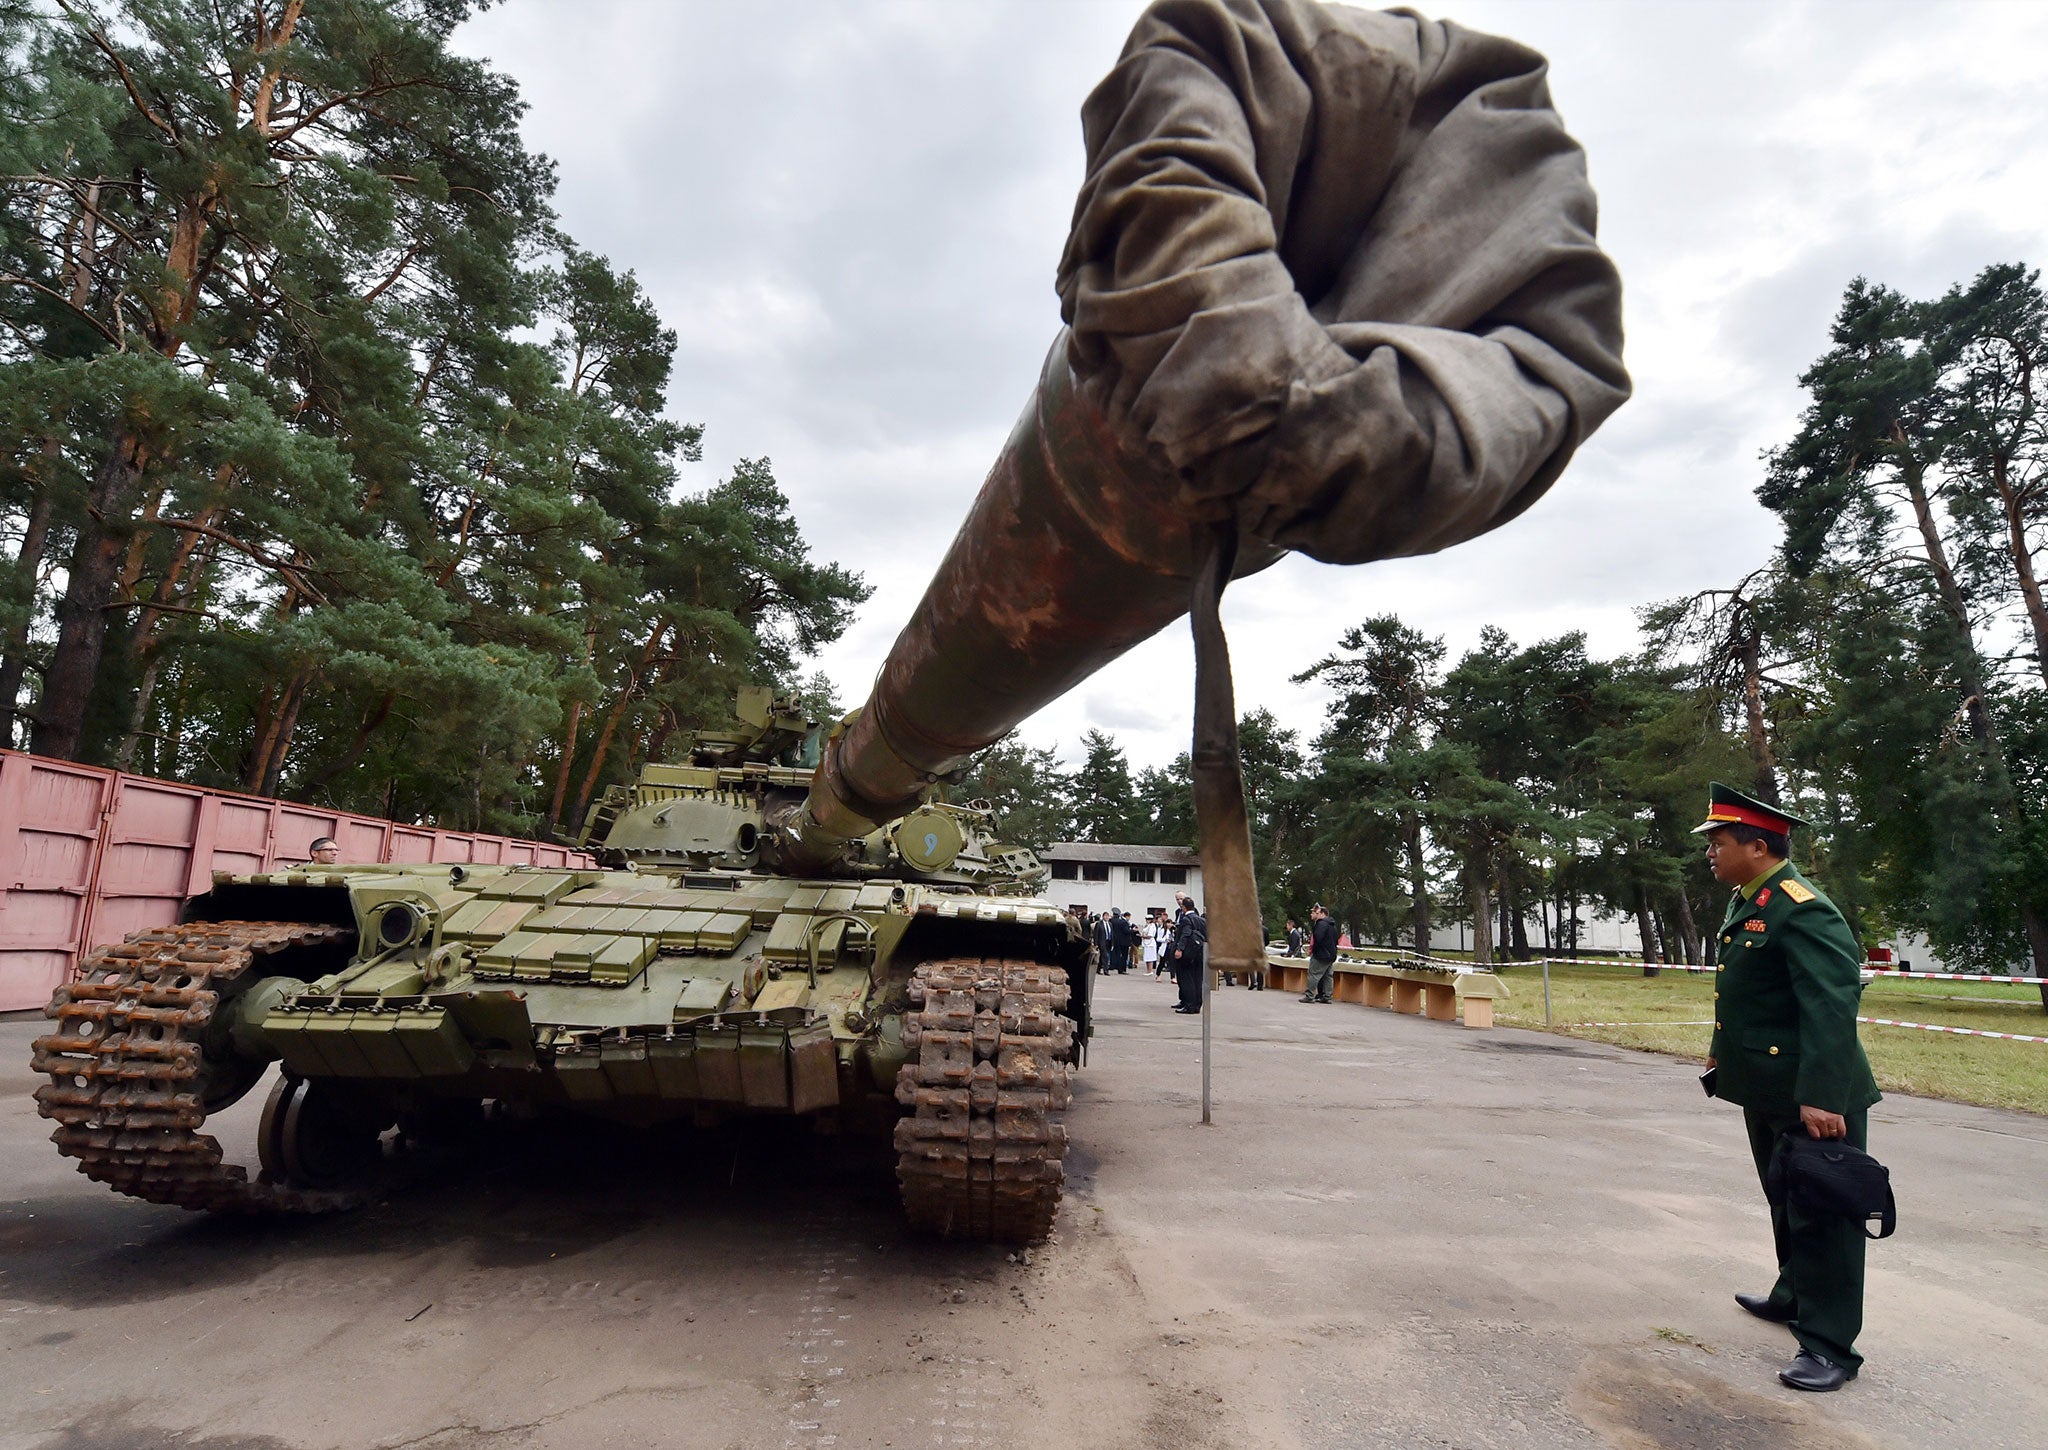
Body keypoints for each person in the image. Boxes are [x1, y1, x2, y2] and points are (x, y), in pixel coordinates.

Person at [1696, 781, 1879, 1394]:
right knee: (1785, 1198)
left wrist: (1824, 1095)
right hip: (1770, 1087)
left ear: (1757, 845)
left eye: (1719, 843)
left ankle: (1829, 1347)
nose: (1711, 854)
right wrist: (1725, 1058)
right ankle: (1792, 1293)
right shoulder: (1751, 899)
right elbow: (1751, 996)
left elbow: (1831, 1003)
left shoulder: (1801, 905)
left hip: (1815, 1094)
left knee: (1824, 1216)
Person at [1169, 894, 1206, 1013]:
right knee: (1197, 979)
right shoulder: (1201, 920)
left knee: (1187, 979)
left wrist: (1179, 949)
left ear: (1184, 908)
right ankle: (1196, 1004)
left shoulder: (1186, 919)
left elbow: (1185, 934)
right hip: (1199, 953)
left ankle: (1189, 1005)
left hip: (1188, 954)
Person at [1303, 904, 1338, 1003]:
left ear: (1322, 914)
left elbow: (1317, 939)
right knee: (1328, 976)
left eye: (1315, 912)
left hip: (1321, 955)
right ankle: (1327, 996)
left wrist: (1314, 950)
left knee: (1313, 974)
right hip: (1331, 954)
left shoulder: (1321, 924)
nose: (1312, 914)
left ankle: (1309, 996)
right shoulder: (1332, 925)